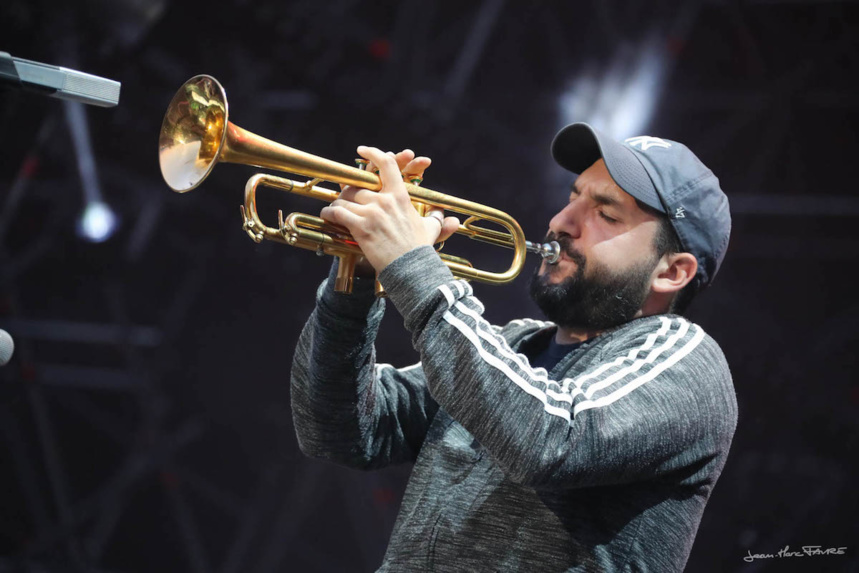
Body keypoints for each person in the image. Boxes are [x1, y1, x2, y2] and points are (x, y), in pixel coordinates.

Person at [290, 122, 737, 572]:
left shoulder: (688, 359)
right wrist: (356, 278)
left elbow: (548, 441)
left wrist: (411, 265)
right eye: (572, 197)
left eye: (607, 214)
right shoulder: (510, 345)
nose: (561, 222)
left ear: (672, 272)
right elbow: (337, 431)